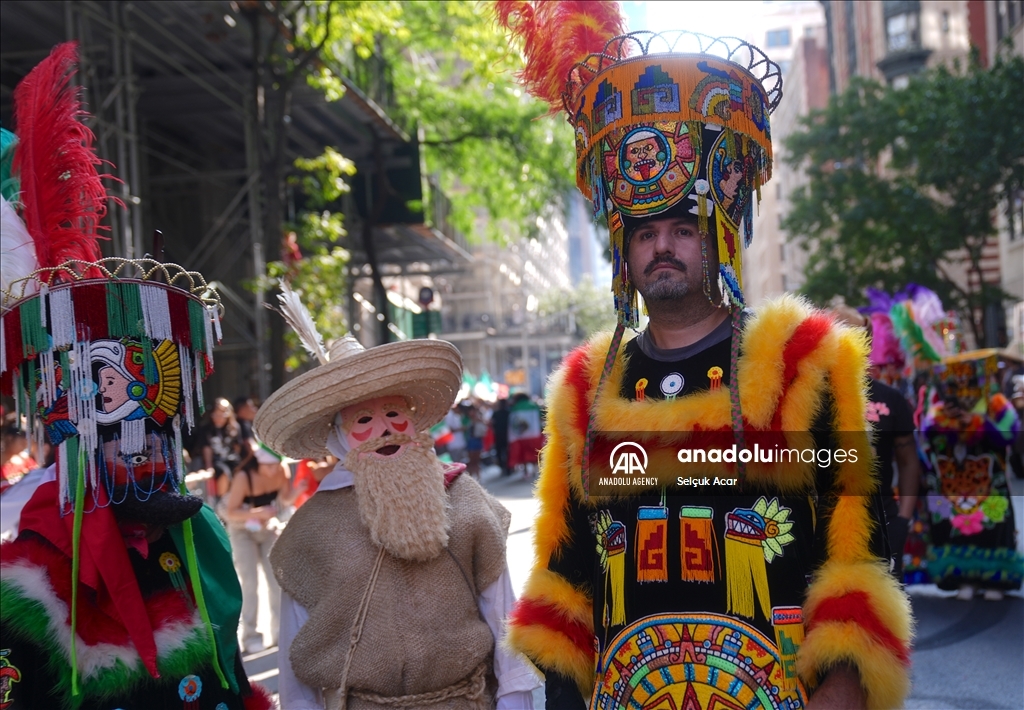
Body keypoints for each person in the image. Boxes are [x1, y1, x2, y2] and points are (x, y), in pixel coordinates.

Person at [496, 7, 911, 710]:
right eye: (645, 232)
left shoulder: (806, 363)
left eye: (683, 228)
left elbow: (856, 552)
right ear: (623, 252)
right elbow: (565, 580)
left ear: (718, 235)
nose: (662, 246)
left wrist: (840, 691)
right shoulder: (585, 389)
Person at [0, 42, 269, 710]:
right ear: (69, 431)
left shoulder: (196, 534)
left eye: (155, 430)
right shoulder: (31, 567)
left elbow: (227, 677)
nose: (144, 447)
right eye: (118, 430)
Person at [253, 300, 541, 709]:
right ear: (339, 437)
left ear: (414, 419)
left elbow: (504, 614)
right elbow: (293, 652)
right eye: (363, 420)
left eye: (393, 412)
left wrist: (516, 700)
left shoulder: (464, 499)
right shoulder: (311, 528)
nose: (384, 429)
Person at [920, 356, 1023, 600]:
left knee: (994, 527)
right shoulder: (940, 405)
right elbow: (927, 436)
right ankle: (965, 577)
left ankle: (995, 579)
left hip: (989, 481)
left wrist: (979, 424)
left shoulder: (995, 403)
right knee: (958, 529)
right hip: (954, 481)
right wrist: (946, 421)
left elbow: (1010, 434)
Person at [222, 443, 296, 654]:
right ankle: (251, 635)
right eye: (269, 465)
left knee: (276, 579)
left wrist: (299, 489)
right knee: (250, 582)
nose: (274, 469)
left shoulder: (282, 470)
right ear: (259, 461)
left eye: (276, 464)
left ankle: (280, 631)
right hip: (242, 530)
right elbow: (231, 511)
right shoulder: (243, 477)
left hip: (266, 527)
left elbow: (285, 499)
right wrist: (259, 511)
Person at [194, 397, 243, 503]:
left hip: (231, 459)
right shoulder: (206, 429)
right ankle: (223, 501)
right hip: (217, 461)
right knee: (223, 471)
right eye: (216, 414)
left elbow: (237, 447)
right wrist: (209, 466)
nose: (219, 417)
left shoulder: (234, 428)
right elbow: (207, 448)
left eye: (222, 414)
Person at [491, 398, 511, 475]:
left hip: (498, 435)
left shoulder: (496, 413)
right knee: (507, 452)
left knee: (499, 452)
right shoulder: (509, 412)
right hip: (507, 436)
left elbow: (492, 423)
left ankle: (503, 467)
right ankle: (508, 468)